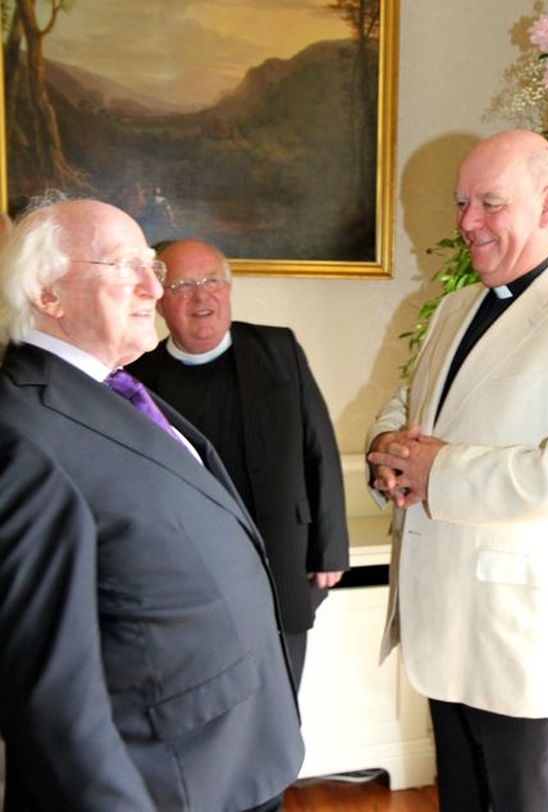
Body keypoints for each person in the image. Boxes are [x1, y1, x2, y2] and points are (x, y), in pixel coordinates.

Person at [366, 129, 548, 812]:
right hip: (442, 621)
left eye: (489, 203)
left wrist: (441, 472)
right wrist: (386, 451)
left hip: (524, 642)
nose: (466, 223)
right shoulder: (454, 308)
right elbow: (412, 403)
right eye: (463, 203)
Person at [0, 196, 304, 812]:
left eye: (152, 266)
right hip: (168, 779)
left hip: (235, 749)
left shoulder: (113, 388)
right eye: (123, 265)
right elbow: (50, 691)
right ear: (47, 293)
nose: (151, 286)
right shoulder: (19, 431)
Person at [128, 239, 350, 691]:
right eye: (183, 285)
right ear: (159, 301)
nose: (200, 296)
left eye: (211, 280)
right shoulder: (137, 378)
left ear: (228, 288)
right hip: (188, 580)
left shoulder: (277, 348)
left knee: (282, 704)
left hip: (282, 563)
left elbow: (318, 446)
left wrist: (330, 548)